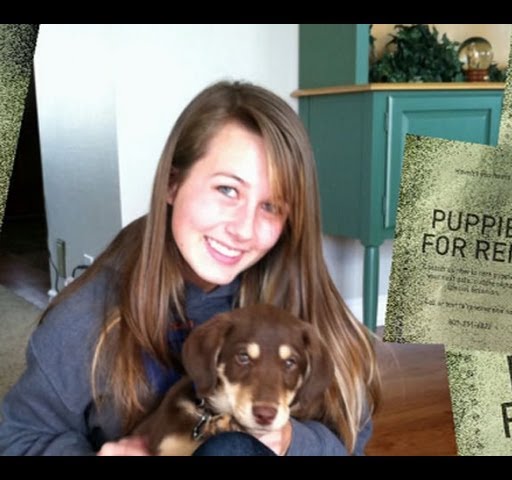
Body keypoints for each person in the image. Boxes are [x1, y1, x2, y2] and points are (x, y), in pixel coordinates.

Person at [0, 80, 381, 456]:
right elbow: (17, 436)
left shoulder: (298, 298)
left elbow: (352, 435)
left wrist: (293, 442)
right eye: (227, 190)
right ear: (172, 183)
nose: (244, 229)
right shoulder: (84, 320)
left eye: (271, 206)